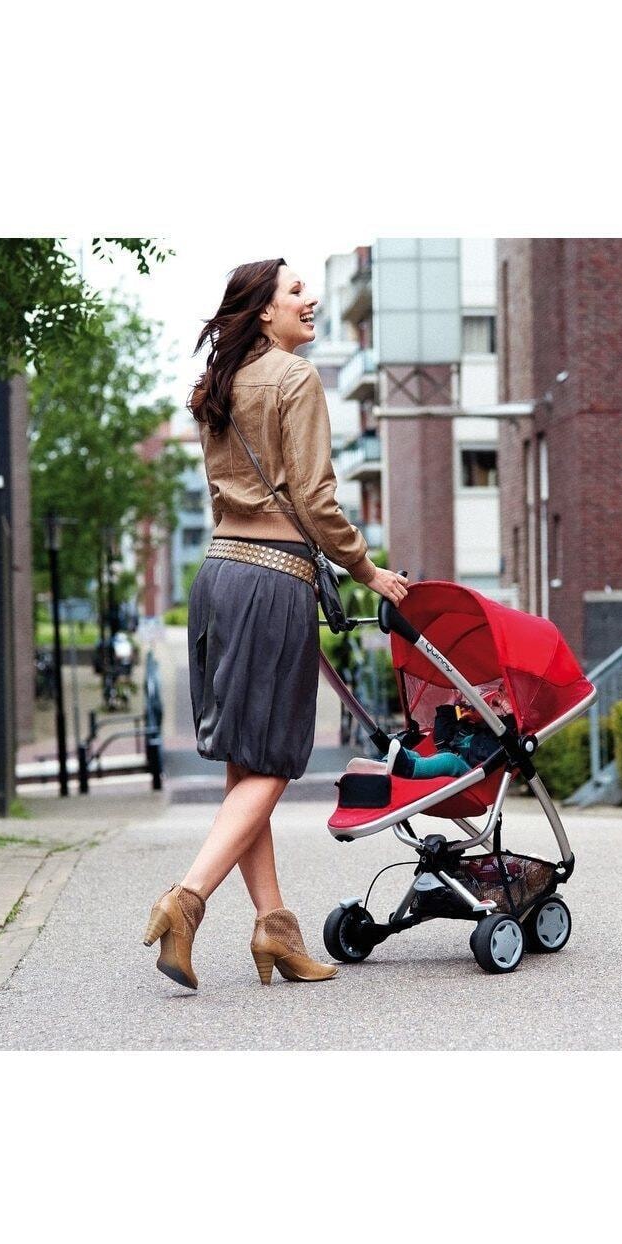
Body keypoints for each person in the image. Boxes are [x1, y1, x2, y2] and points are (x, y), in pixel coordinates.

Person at [142, 258, 409, 991]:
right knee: (275, 761)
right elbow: (317, 501)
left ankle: (275, 929)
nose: (310, 298)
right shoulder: (295, 378)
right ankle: (187, 899)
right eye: (295, 290)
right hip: (271, 579)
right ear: (264, 310)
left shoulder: (217, 385)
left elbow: (226, 493)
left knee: (245, 763)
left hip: (218, 576)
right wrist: (368, 570)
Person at [383, 689, 513, 779]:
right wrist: (450, 704)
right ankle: (382, 765)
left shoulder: (503, 735)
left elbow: (504, 739)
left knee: (449, 760)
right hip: (449, 753)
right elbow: (441, 739)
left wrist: (510, 717)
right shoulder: (470, 726)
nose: (498, 695)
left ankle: (407, 768)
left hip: (474, 771)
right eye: (500, 690)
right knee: (413, 754)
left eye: (505, 693)